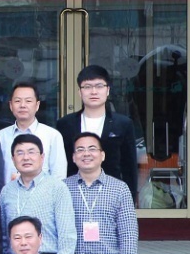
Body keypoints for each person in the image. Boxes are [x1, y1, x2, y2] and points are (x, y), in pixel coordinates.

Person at [56, 65, 140, 203]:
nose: (93, 91)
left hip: (112, 194)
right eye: (87, 87)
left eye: (99, 86)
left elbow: (129, 166)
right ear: (80, 92)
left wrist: (129, 198)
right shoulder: (65, 124)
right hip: (73, 195)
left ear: (108, 90)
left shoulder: (123, 124)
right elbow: (60, 164)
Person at [0, 134, 76, 254]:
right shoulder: (7, 191)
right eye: (20, 153)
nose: (26, 157)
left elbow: (66, 235)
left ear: (42, 157)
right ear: (13, 159)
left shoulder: (57, 187)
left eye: (31, 152)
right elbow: (4, 235)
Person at [0, 81, 66, 184]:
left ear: (37, 105)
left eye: (28, 101)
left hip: (43, 194)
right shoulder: (0, 136)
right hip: (9, 193)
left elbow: (59, 175)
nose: (23, 105)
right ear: (11, 105)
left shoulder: (52, 136)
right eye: (17, 101)